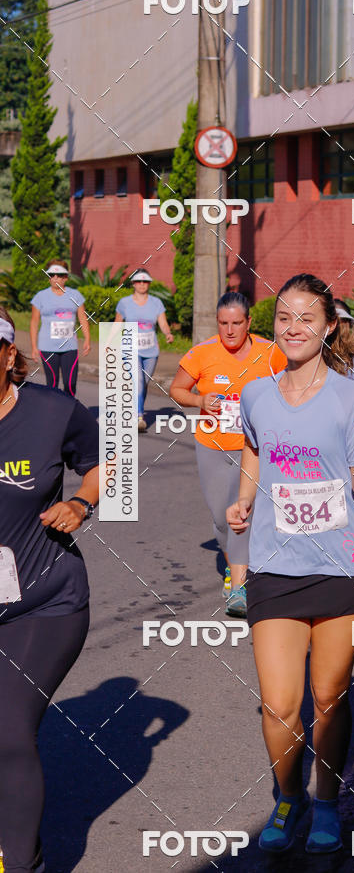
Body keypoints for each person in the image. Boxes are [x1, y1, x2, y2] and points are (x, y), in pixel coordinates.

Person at [226, 274, 354, 853]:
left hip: (342, 566)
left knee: (327, 698)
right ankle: (287, 793)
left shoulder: (352, 398)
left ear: (327, 328)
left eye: (306, 319)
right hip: (274, 563)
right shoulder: (256, 394)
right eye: (284, 318)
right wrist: (244, 499)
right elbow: (253, 448)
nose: (293, 328)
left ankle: (326, 801)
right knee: (279, 703)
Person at [0, 307, 100, 873]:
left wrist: (80, 502)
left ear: (9, 355)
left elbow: (100, 464)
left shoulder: (54, 412)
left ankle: (22, 865)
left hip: (43, 602)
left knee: (9, 731)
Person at [170, 292, 287, 617]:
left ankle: (240, 587)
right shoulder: (202, 353)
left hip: (255, 449)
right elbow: (177, 390)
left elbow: (292, 384)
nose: (230, 330)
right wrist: (200, 401)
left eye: (237, 323)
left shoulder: (270, 353)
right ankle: (236, 565)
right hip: (213, 447)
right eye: (224, 324)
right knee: (222, 520)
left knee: (242, 516)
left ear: (248, 322)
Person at [114, 268, 174, 432]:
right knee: (138, 381)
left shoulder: (156, 303)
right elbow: (118, 324)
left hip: (151, 351)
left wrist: (168, 333)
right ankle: (138, 417)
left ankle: (134, 408)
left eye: (145, 281)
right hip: (130, 349)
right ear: (133, 283)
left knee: (143, 384)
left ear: (149, 283)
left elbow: (162, 323)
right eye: (139, 281)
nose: (142, 284)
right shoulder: (124, 303)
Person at [30, 261, 90, 397]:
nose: (55, 278)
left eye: (60, 275)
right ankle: (53, 414)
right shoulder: (40, 297)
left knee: (71, 383)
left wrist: (87, 339)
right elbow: (34, 322)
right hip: (47, 346)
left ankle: (67, 410)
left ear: (66, 277)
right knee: (52, 384)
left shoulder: (75, 296)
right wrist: (34, 346)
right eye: (52, 275)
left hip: (70, 346)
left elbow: (82, 318)